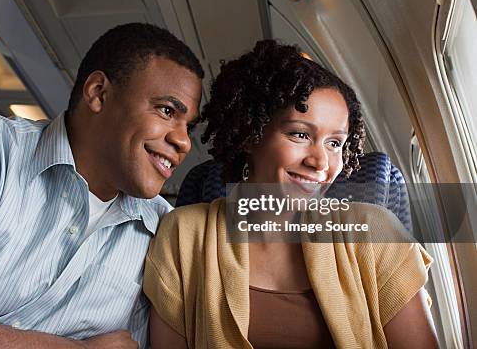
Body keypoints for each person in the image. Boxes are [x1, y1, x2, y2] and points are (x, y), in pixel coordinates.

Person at [0, 23, 203, 348]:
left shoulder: (168, 235)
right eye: (166, 110)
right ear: (98, 93)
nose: (184, 141)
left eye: (189, 125)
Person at [144, 40, 438, 348]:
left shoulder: (377, 233)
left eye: (335, 143)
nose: (320, 161)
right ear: (250, 134)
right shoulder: (183, 234)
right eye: (300, 134)